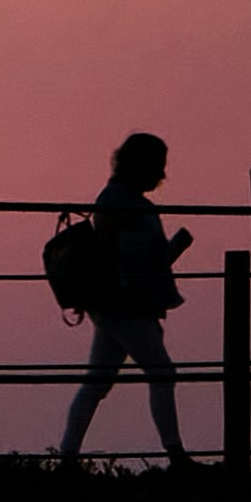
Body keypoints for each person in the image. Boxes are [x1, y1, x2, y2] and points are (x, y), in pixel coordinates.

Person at [56, 133, 195, 467]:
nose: (162, 174)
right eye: (158, 165)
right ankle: (176, 455)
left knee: (97, 381)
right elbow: (110, 254)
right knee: (162, 372)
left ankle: (67, 456)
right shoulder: (117, 201)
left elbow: (139, 257)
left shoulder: (124, 200)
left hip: (122, 304)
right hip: (124, 304)